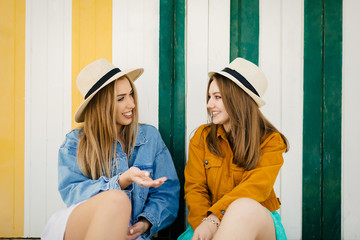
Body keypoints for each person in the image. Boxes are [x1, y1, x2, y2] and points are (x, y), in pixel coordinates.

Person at [41, 59, 180, 240]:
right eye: (121, 99)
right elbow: (73, 193)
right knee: (117, 199)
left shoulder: (149, 138)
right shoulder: (75, 142)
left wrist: (145, 223)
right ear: (101, 104)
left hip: (129, 234)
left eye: (131, 94)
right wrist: (120, 181)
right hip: (81, 229)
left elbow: (166, 193)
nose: (131, 104)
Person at [178, 57, 289, 240]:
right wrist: (206, 226)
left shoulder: (271, 141)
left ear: (238, 99)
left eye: (217, 97)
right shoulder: (202, 137)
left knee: (243, 206)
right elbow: (195, 189)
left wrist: (215, 218)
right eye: (209, 97)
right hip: (206, 222)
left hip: (256, 225)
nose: (209, 105)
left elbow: (255, 188)